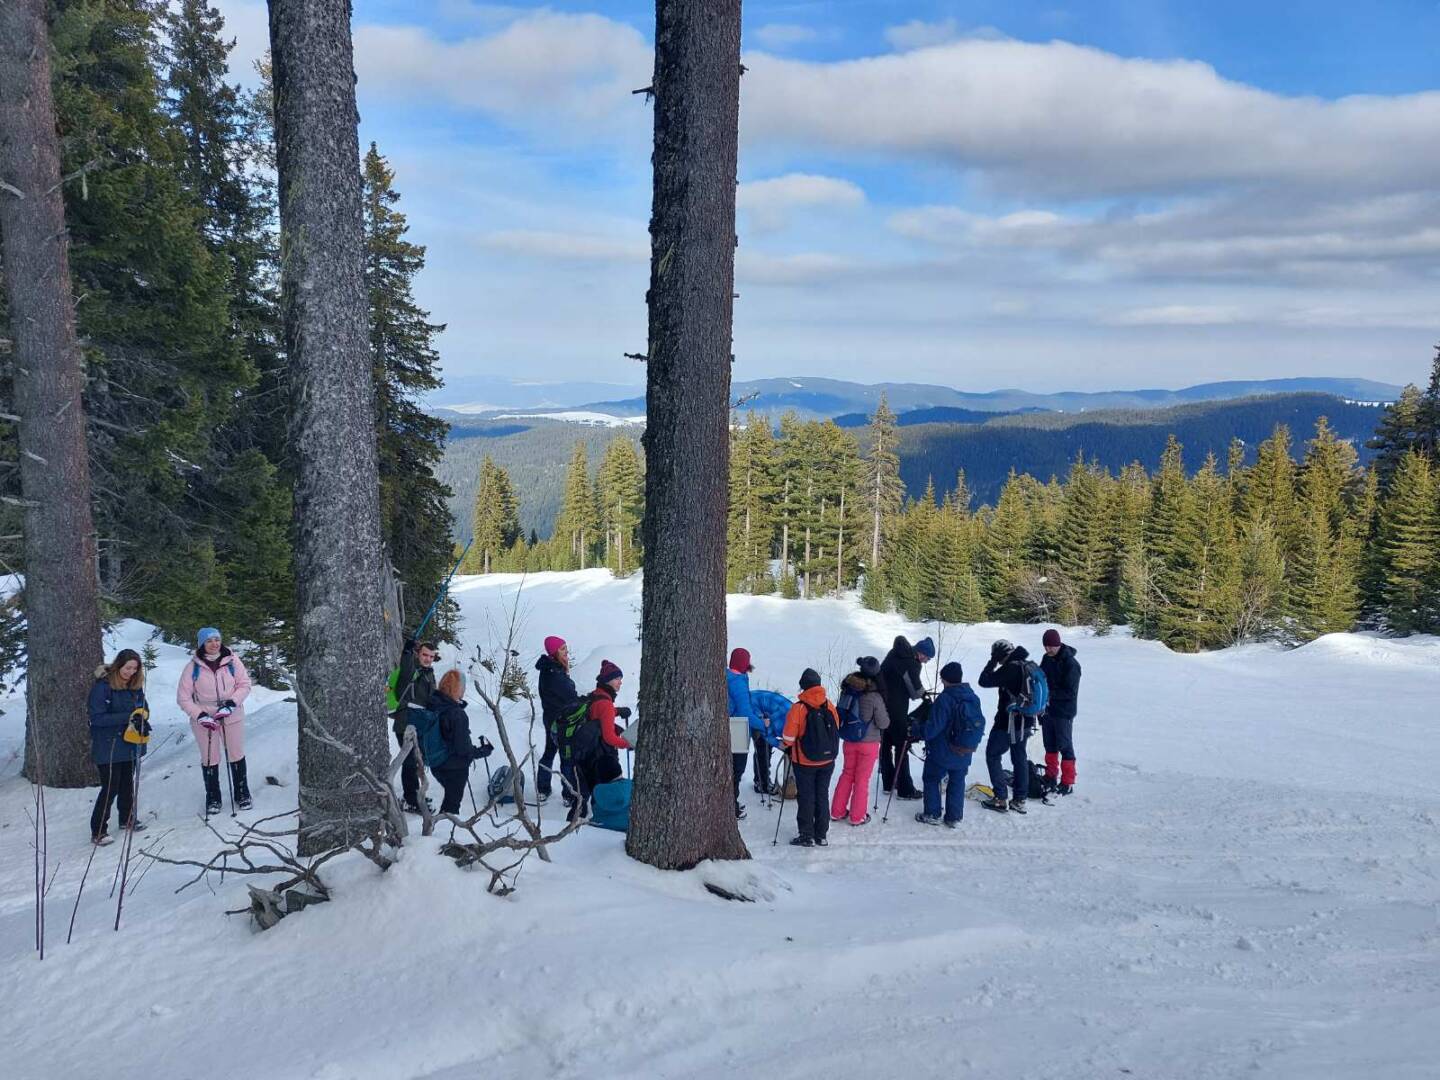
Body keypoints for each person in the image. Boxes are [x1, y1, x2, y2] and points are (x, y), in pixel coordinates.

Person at [177, 627, 253, 814]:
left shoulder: (232, 660)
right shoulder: (192, 667)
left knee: (235, 753)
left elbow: (244, 685)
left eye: (217, 639)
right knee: (210, 757)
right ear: (201, 644)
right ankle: (213, 798)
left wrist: (231, 703)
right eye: (209, 641)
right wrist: (200, 715)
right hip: (205, 718)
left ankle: (242, 793)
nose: (214, 644)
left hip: (231, 714)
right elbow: (183, 698)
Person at [88, 649, 150, 845]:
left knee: (126, 783)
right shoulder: (103, 687)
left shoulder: (135, 686)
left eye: (134, 668)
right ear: (118, 665)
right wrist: (128, 717)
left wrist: (141, 717)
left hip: (130, 741)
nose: (130, 672)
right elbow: (97, 718)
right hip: (108, 744)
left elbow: (144, 707)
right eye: (127, 668)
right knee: (110, 787)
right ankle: (99, 830)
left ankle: (127, 818)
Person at [914, 662, 985, 828]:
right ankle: (954, 817)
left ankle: (932, 814)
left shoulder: (945, 699)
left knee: (931, 778)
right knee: (957, 782)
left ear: (945, 679)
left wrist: (917, 729)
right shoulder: (972, 697)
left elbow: (933, 728)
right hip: (964, 749)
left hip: (943, 750)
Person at [781, 668, 840, 847]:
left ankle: (806, 835)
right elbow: (836, 728)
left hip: (804, 762)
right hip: (827, 761)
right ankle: (821, 834)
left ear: (803, 686)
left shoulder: (798, 708)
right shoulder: (829, 705)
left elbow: (788, 738)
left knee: (806, 796)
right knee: (822, 794)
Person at [567, 659, 631, 822]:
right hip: (599, 755)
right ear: (608, 681)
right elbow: (609, 737)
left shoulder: (596, 695)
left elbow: (599, 712)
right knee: (601, 793)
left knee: (583, 794)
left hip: (585, 753)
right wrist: (628, 743)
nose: (620, 682)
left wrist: (618, 711)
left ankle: (572, 823)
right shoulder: (606, 704)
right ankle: (602, 822)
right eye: (617, 679)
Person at [829, 656, 888, 826]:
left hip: (849, 740)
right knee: (862, 779)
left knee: (847, 773)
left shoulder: (848, 690)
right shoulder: (874, 696)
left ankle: (837, 811)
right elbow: (883, 723)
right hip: (869, 743)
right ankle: (857, 817)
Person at [978, 639, 1033, 814]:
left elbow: (984, 680)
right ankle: (1020, 799)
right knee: (1019, 757)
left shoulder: (1010, 668)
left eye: (996, 655)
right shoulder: (1026, 665)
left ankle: (1001, 798)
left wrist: (992, 662)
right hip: (1026, 721)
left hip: (1008, 723)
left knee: (993, 754)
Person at [428, 669, 494, 815]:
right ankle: (445, 827)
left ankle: (442, 825)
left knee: (449, 800)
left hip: (435, 762)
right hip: (454, 767)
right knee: (451, 807)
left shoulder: (433, 703)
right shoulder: (457, 714)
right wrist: (482, 751)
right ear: (458, 689)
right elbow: (463, 749)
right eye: (462, 687)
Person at [878, 635, 933, 800]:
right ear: (921, 653)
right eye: (928, 658)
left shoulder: (894, 653)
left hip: (881, 706)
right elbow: (915, 691)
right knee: (901, 747)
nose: (926, 661)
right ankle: (905, 789)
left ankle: (888, 783)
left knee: (885, 745)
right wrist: (926, 697)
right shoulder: (912, 663)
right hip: (897, 710)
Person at [391, 638, 439, 814]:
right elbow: (405, 668)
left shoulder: (429, 673)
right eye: (425, 655)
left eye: (431, 656)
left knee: (416, 760)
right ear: (418, 654)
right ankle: (411, 800)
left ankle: (414, 795)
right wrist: (407, 651)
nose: (428, 659)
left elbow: (431, 698)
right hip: (405, 723)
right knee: (410, 761)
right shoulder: (412, 671)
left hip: (419, 724)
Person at [535, 635, 584, 805]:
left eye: (566, 649)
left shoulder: (549, 669)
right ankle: (568, 794)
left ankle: (543, 789)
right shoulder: (554, 673)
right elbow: (570, 695)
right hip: (561, 722)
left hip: (551, 719)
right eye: (562, 649)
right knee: (566, 757)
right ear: (554, 652)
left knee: (549, 752)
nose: (566, 652)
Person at [1039, 629, 1081, 795]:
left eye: (1051, 646)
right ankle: (1051, 775)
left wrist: (1049, 694)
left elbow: (1070, 692)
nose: (1048, 649)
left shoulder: (1071, 664)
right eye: (1045, 646)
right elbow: (1041, 679)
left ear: (1058, 644)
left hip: (1064, 712)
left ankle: (1068, 781)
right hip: (1048, 710)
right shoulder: (1046, 659)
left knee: (1064, 745)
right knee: (1049, 744)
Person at [726, 647, 759, 819]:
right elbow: (745, 711)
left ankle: (731, 802)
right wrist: (762, 724)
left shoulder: (727, 675)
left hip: (729, 725)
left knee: (730, 768)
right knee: (737, 769)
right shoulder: (738, 682)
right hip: (738, 728)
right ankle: (731, 806)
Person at [749, 687, 792, 796]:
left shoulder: (794, 717)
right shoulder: (783, 718)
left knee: (765, 745)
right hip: (752, 708)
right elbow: (766, 732)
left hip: (763, 706)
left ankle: (761, 780)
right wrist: (778, 744)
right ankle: (762, 784)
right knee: (763, 747)